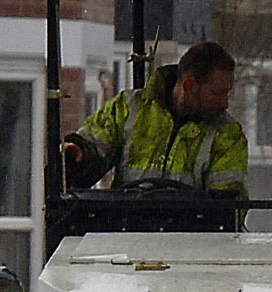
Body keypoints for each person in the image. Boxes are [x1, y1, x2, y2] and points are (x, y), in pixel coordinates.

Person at [61, 40, 249, 200]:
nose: (225, 103)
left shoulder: (227, 135)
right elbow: (93, 148)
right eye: (218, 93)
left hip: (189, 242)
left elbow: (227, 206)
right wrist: (79, 155)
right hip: (123, 238)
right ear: (190, 85)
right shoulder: (127, 109)